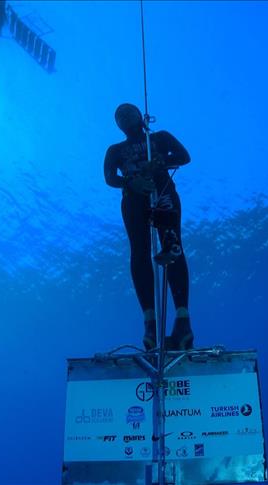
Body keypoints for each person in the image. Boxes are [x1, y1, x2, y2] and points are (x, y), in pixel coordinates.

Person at [103, 103, 193, 351]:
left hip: (162, 190)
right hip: (133, 199)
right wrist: (130, 183)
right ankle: (150, 322)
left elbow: (184, 156)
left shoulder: (161, 137)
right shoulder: (115, 150)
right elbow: (109, 177)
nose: (123, 116)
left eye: (127, 112)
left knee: (172, 245)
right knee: (139, 251)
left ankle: (183, 319)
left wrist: (161, 162)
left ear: (140, 116)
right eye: (118, 115)